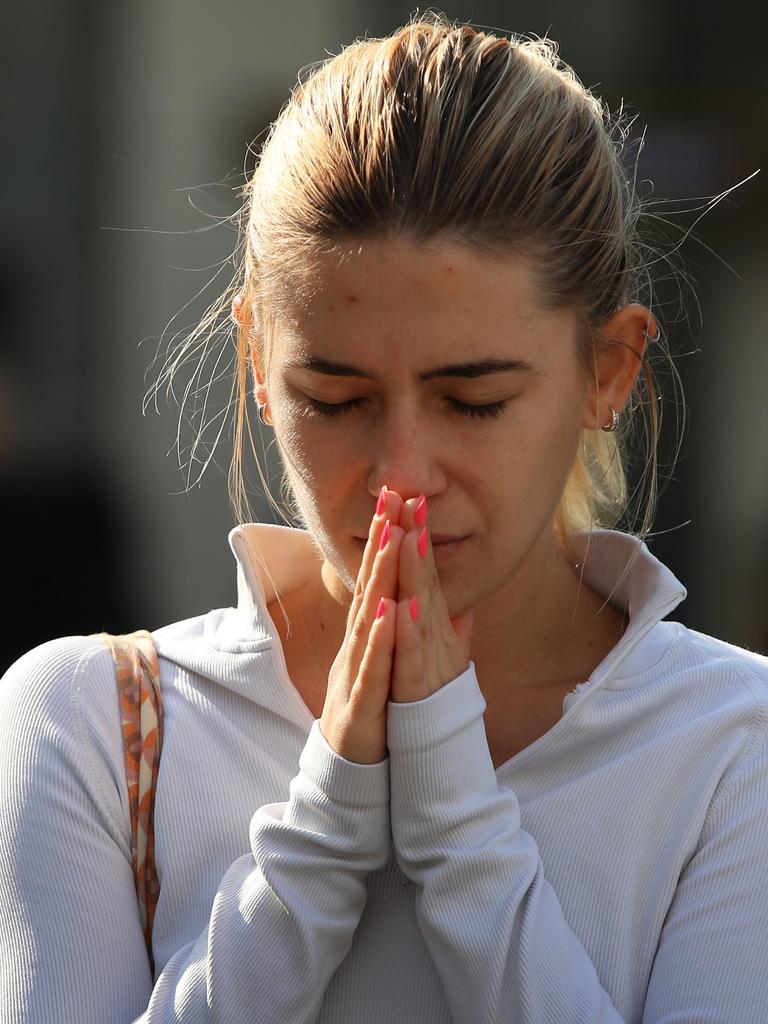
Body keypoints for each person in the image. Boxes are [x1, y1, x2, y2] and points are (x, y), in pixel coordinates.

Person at [1, 13, 766, 1024]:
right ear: (257, 367)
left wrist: (455, 821)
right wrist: (321, 835)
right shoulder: (96, 722)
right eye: (336, 397)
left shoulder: (731, 744)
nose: (400, 477)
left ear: (609, 371)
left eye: (474, 402)